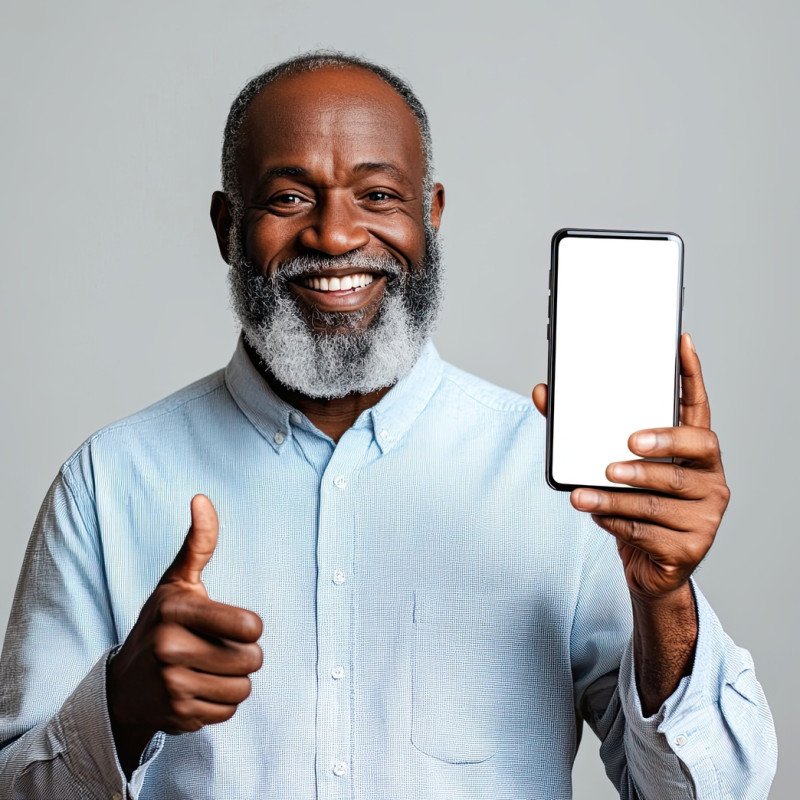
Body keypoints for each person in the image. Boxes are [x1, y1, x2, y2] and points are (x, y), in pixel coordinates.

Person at [0, 51, 776, 800]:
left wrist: (664, 600)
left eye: (377, 196)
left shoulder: (561, 486)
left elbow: (713, 794)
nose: (335, 236)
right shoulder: (107, 483)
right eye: (289, 198)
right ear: (226, 226)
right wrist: (119, 713)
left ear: (430, 214)